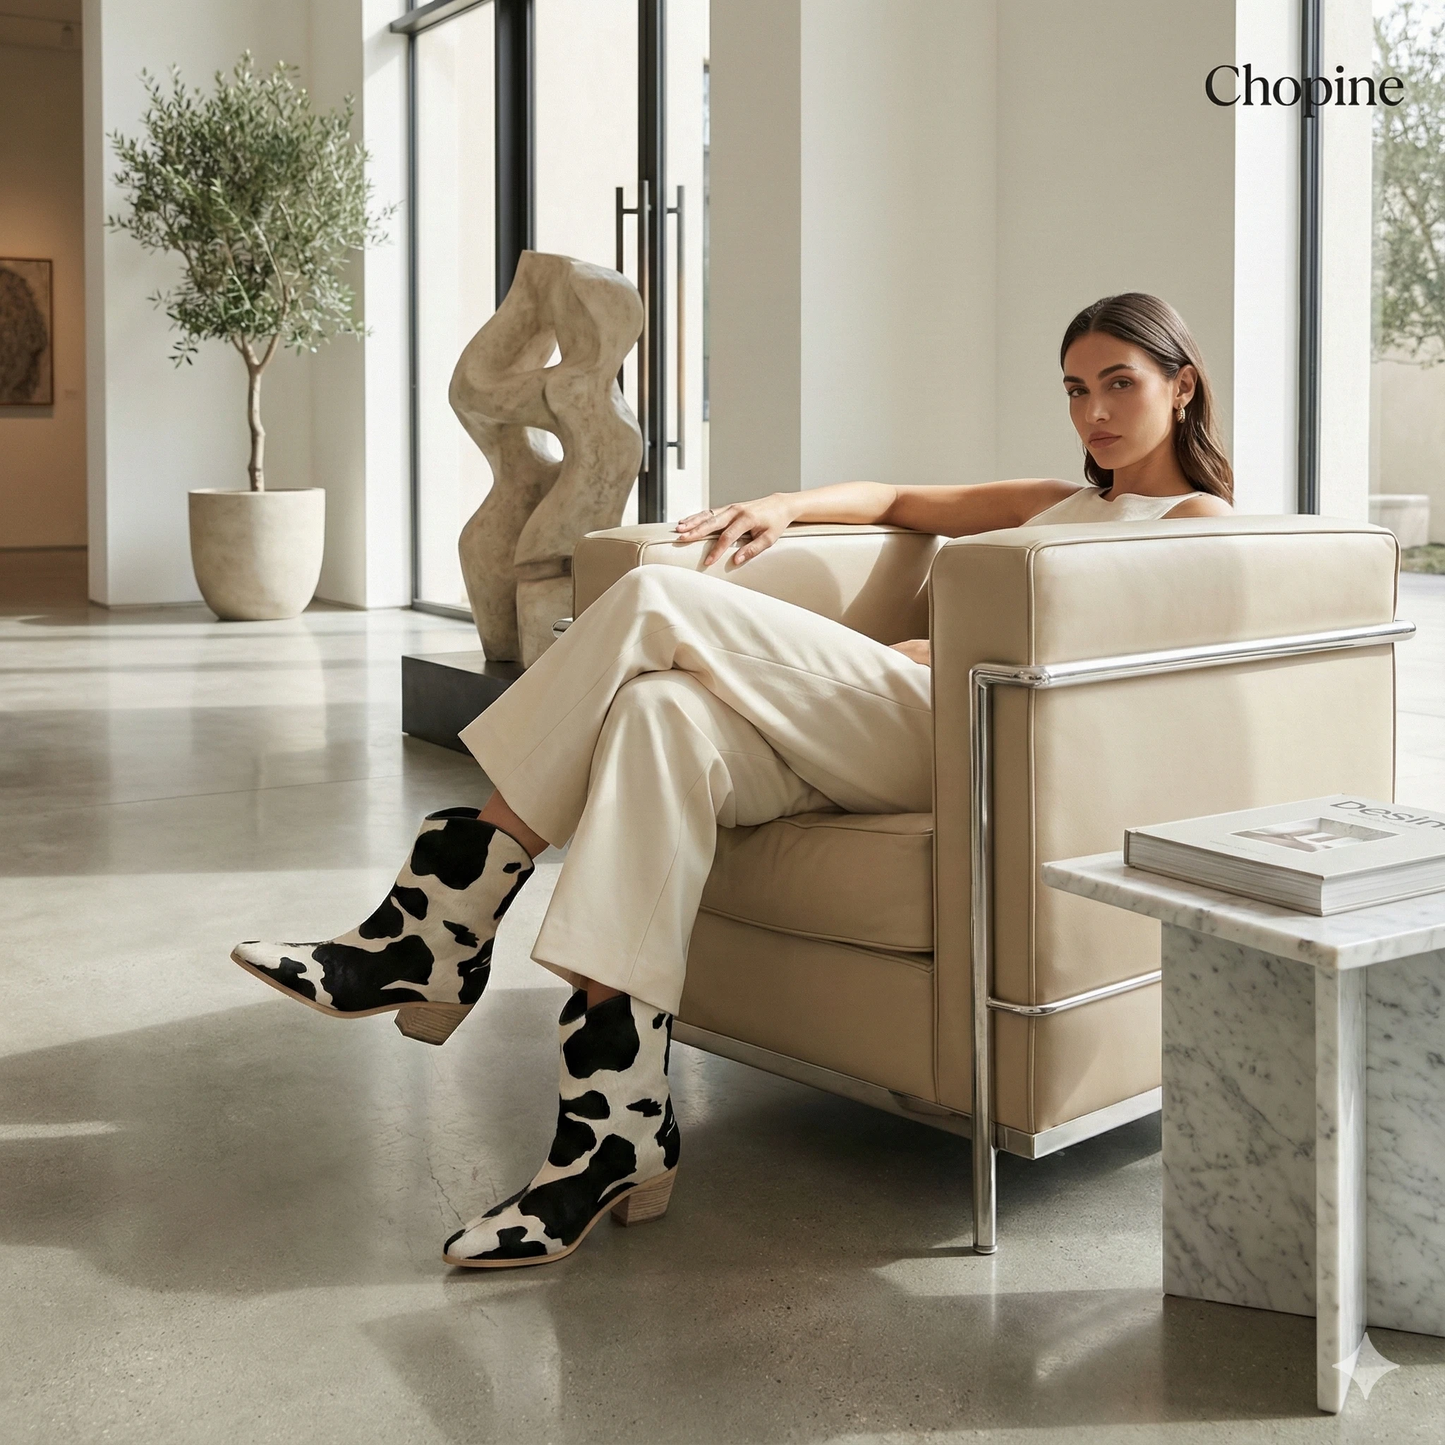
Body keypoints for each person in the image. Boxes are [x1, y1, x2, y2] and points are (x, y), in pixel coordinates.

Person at [232, 291, 1234, 1269]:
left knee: (657, 597)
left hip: (960, 732)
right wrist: (784, 504)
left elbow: (1118, 645)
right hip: (873, 722)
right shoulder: (1062, 501)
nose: (1092, 412)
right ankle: (610, 1136)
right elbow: (892, 499)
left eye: (1119, 383)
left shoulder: (1195, 520)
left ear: (1180, 387)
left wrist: (946, 645)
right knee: (658, 714)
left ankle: (439, 921)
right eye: (1072, 388)